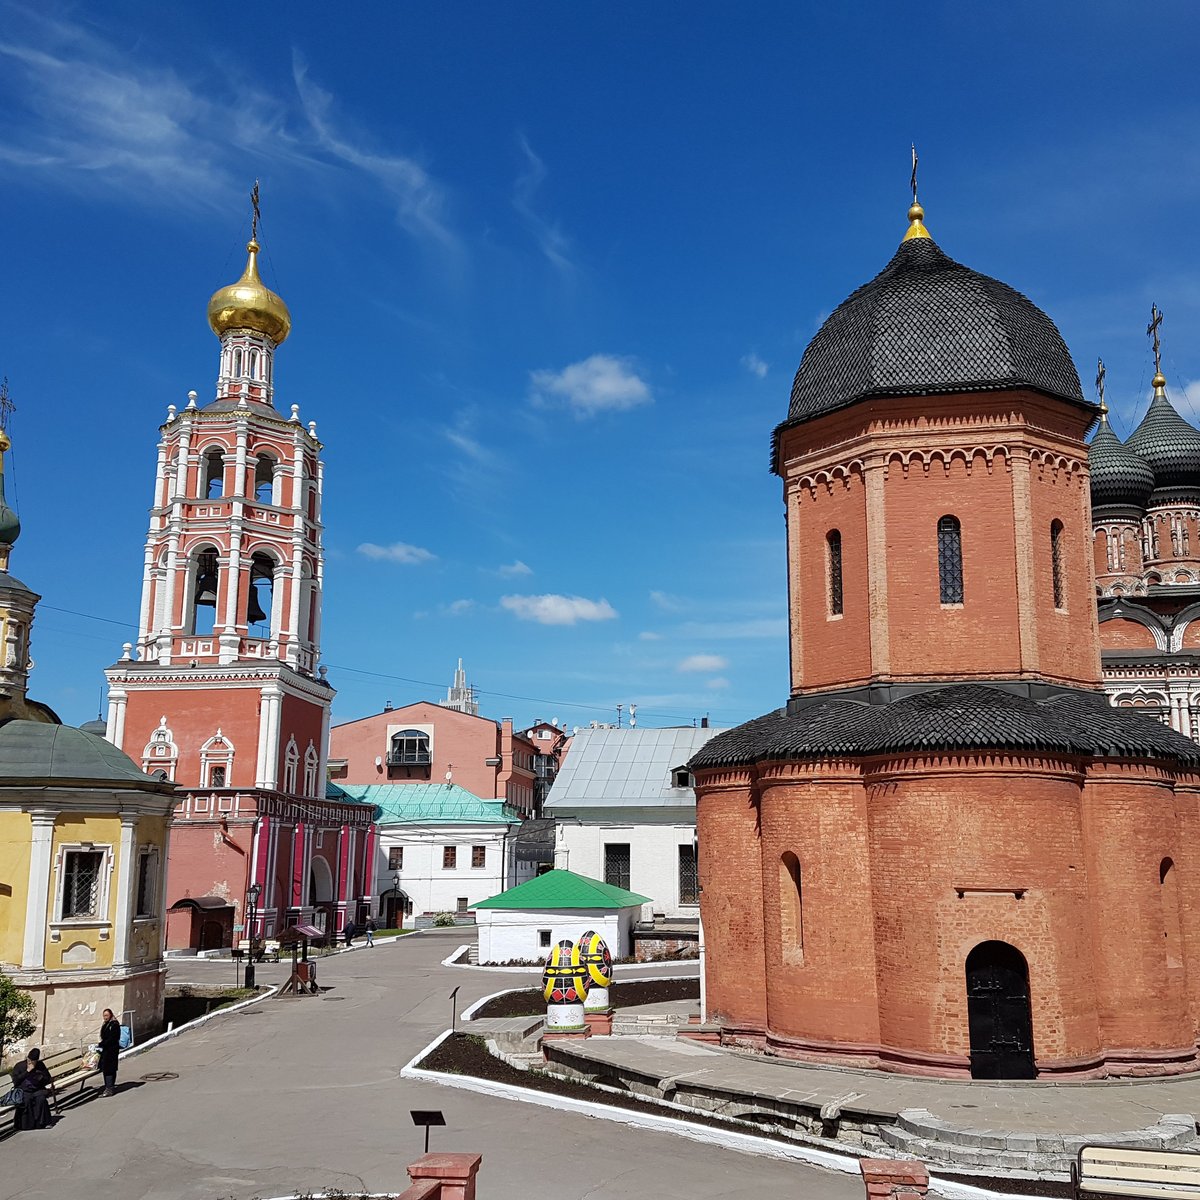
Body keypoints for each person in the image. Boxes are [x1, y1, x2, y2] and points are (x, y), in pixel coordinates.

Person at [11, 1048, 54, 1130]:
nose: (31, 1062)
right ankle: (24, 1125)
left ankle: (43, 1123)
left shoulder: (40, 1065)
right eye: (29, 1060)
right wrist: (27, 1071)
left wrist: (40, 1077)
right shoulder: (19, 1066)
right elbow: (16, 1081)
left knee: (41, 1099)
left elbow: (47, 1078)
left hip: (37, 1089)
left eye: (33, 1061)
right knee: (26, 1100)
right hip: (23, 1090)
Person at [99, 1008, 121, 1096]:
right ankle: (110, 1087)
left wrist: (102, 1044)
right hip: (106, 1050)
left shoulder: (114, 1025)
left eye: (107, 1015)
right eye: (104, 1015)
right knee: (109, 1069)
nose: (105, 1017)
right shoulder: (106, 1024)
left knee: (109, 1069)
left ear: (111, 1015)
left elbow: (112, 1038)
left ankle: (109, 1089)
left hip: (111, 1050)